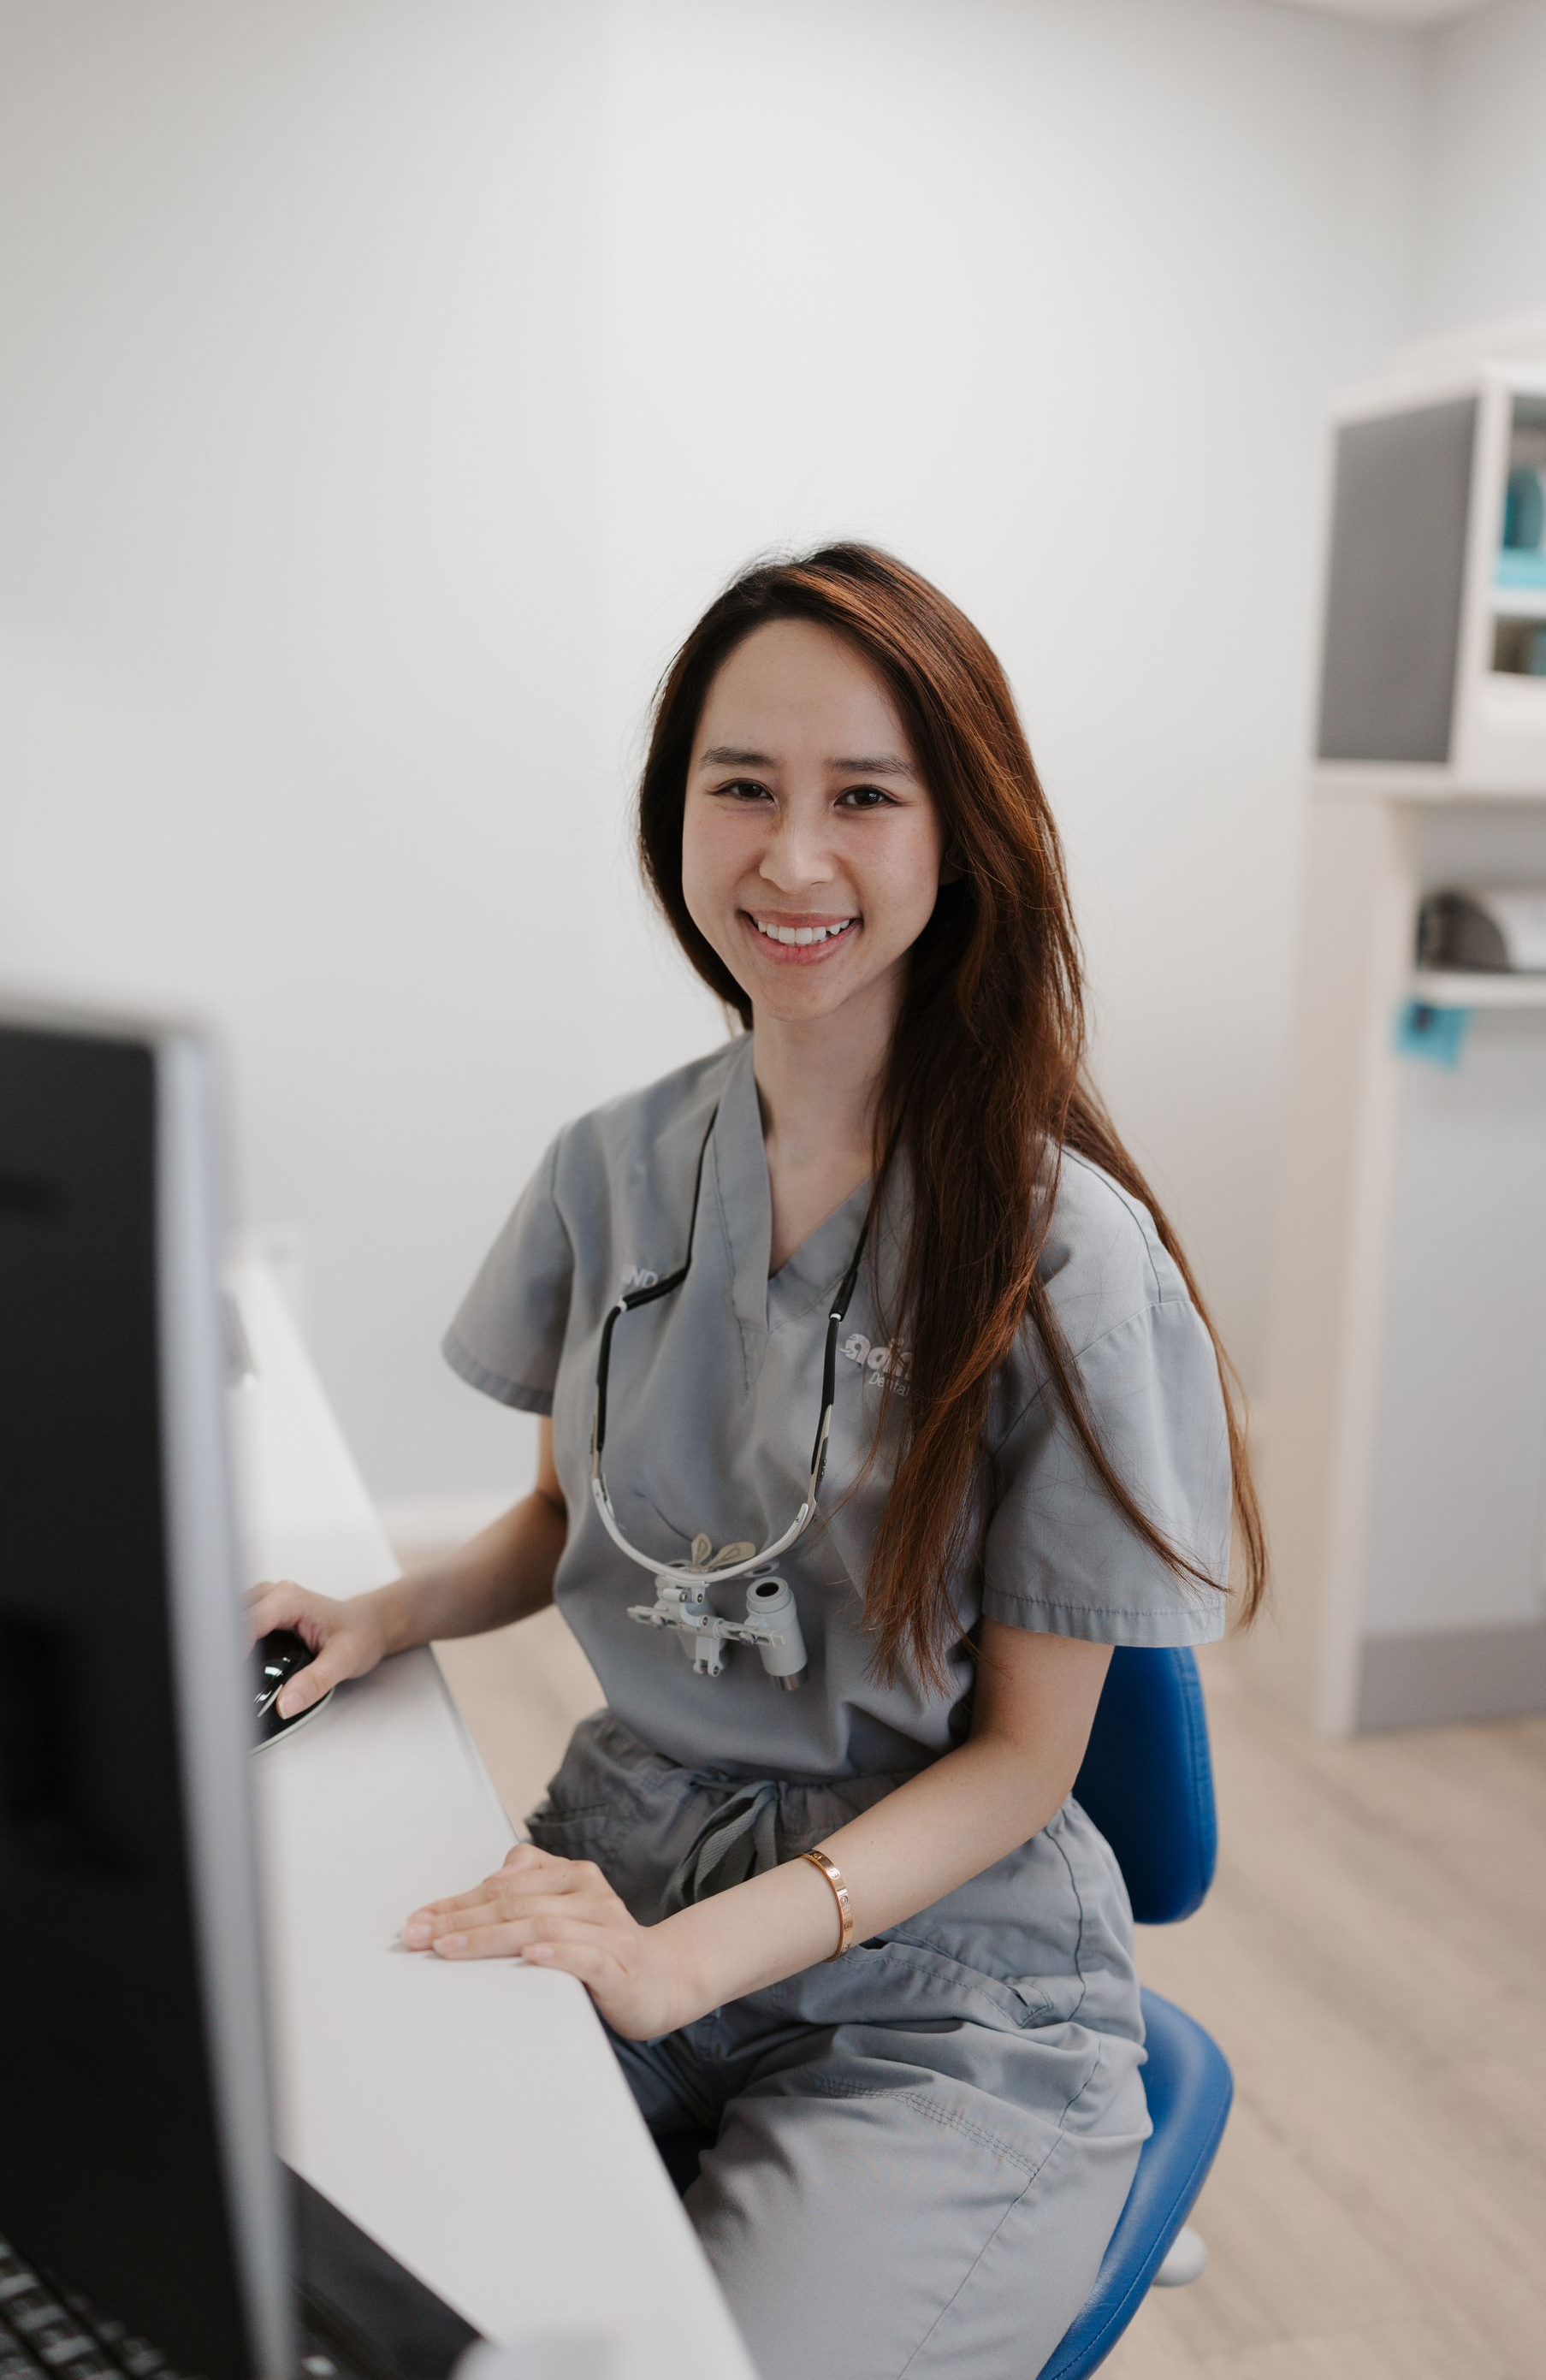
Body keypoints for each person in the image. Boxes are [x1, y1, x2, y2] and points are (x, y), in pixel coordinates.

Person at [246, 542, 1266, 2380]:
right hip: (618, 1859)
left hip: (936, 1985)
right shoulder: (614, 1164)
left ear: (963, 836)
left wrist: (690, 1961)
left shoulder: (1065, 1258)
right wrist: (382, 1610)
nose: (794, 860)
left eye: (863, 797)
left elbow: (1034, 1765)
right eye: (745, 788)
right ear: (678, 816)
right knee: (310, 2274)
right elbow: (573, 1517)